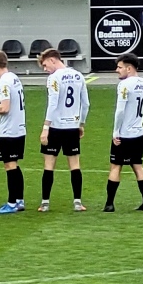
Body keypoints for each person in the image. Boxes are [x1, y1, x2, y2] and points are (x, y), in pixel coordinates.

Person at [37, 46, 87, 213]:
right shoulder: (78, 75)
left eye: (45, 65)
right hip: (72, 127)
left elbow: (53, 103)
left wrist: (46, 127)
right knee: (74, 165)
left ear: (53, 60)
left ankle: (45, 203)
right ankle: (78, 202)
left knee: (49, 164)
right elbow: (85, 103)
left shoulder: (54, 78)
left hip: (56, 128)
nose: (45, 69)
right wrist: (81, 123)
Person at [104, 53, 143, 212]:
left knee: (115, 167)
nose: (117, 70)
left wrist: (115, 132)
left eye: (119, 67)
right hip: (139, 132)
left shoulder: (124, 85)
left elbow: (120, 111)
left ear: (129, 68)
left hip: (124, 134)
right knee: (138, 166)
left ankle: (109, 204)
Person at [0, 49, 27, 213]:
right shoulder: (14, 78)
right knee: (14, 164)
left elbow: (6, 107)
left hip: (9, 130)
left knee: (9, 165)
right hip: (19, 127)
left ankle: (12, 202)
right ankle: (19, 200)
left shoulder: (3, 82)